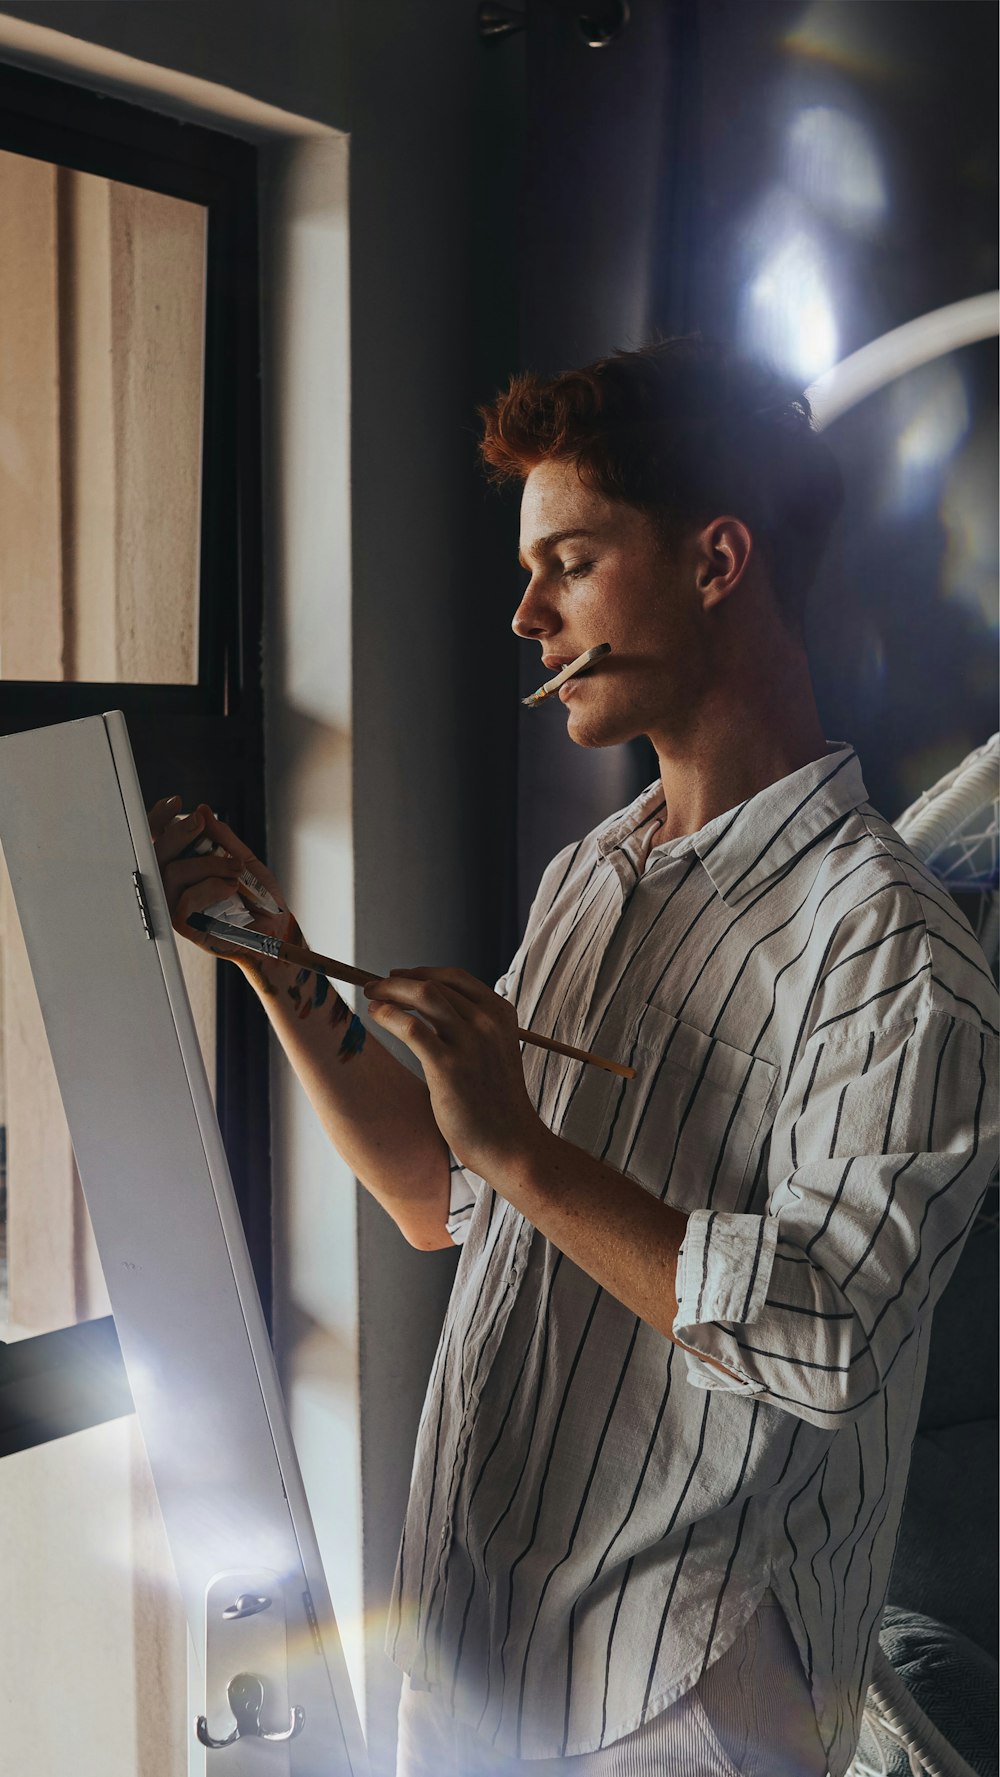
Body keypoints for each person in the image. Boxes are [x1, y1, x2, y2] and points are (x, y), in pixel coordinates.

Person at [150, 338, 999, 1777]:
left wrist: (525, 1148)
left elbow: (828, 1337)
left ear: (716, 560)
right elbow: (444, 1199)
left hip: (684, 1712)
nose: (531, 614)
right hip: (481, 1672)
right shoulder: (593, 877)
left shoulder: (896, 947)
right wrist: (280, 964)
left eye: (573, 560)